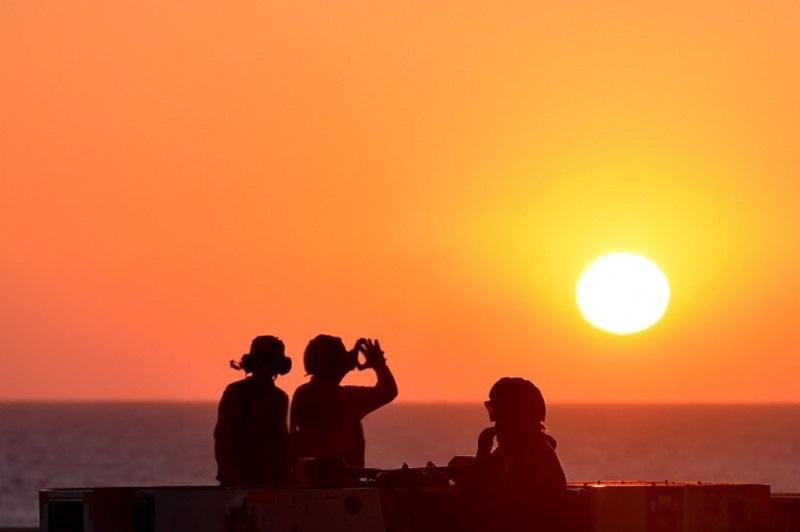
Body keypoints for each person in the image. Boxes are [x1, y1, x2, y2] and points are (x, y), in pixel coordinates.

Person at [469, 377, 567, 532]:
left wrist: (482, 453)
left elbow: (484, 493)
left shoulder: (534, 452)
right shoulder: (512, 450)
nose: (493, 418)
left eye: (498, 409)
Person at [290, 335, 398, 469]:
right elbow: (388, 391)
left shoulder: (302, 393)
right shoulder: (346, 398)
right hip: (341, 482)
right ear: (335, 363)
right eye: (342, 354)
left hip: (308, 480)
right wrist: (379, 364)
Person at [214, 335, 292, 487]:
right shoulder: (236, 392)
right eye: (261, 362)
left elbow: (282, 441)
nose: (265, 368)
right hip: (239, 482)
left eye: (270, 363)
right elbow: (223, 439)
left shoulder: (280, 398)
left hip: (273, 482)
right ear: (253, 364)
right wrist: (234, 479)